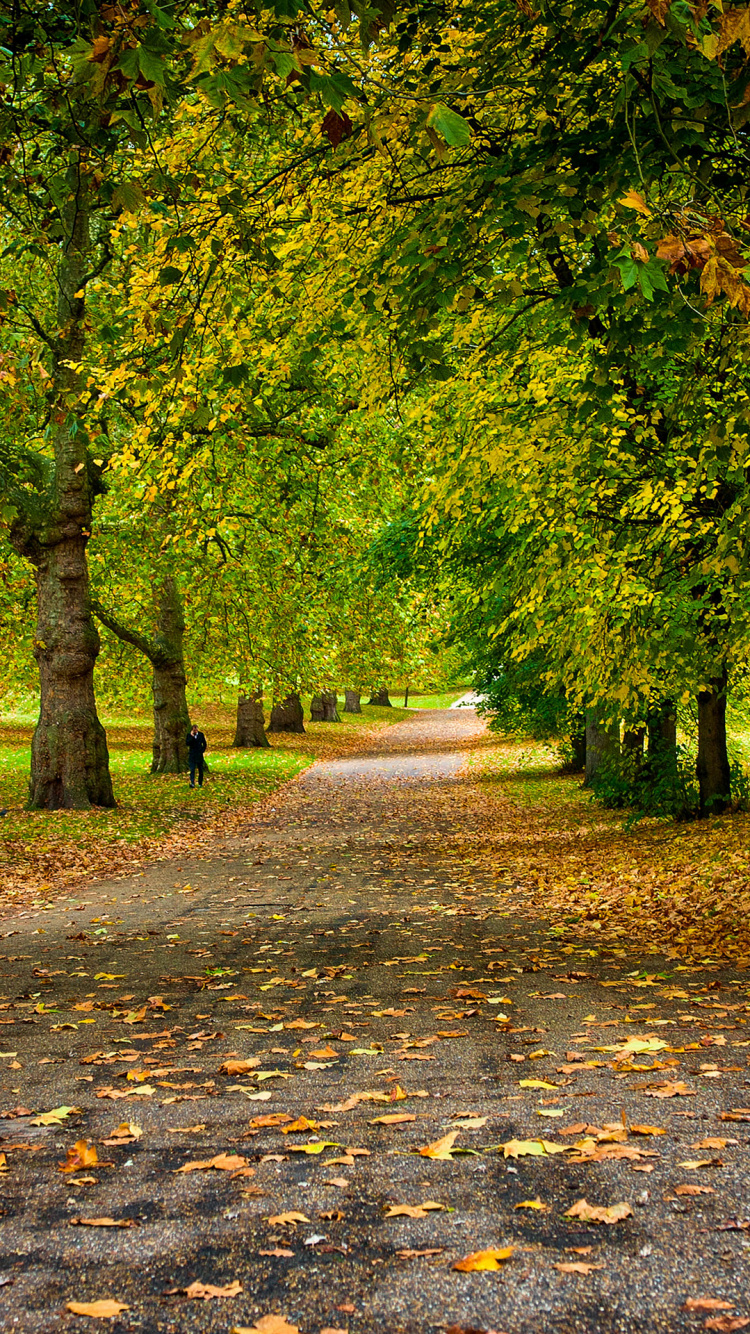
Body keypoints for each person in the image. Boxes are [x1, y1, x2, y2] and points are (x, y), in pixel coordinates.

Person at [186, 723, 207, 788]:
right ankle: (192, 782)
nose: (195, 731)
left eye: (196, 730)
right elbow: (187, 743)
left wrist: (202, 750)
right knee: (192, 769)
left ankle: (200, 783)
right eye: (194, 730)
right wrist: (192, 736)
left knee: (200, 770)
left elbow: (204, 743)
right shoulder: (189, 735)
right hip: (192, 755)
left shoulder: (201, 735)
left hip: (199, 755)